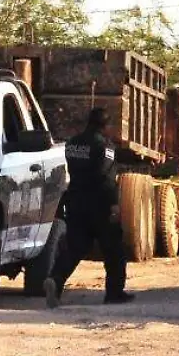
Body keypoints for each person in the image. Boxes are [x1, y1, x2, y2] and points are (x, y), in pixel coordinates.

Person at [47, 107, 133, 305]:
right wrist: (113, 205)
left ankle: (55, 279)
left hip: (76, 201)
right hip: (99, 204)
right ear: (105, 126)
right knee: (114, 250)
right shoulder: (105, 147)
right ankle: (114, 293)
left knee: (75, 247)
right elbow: (107, 179)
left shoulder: (72, 144)